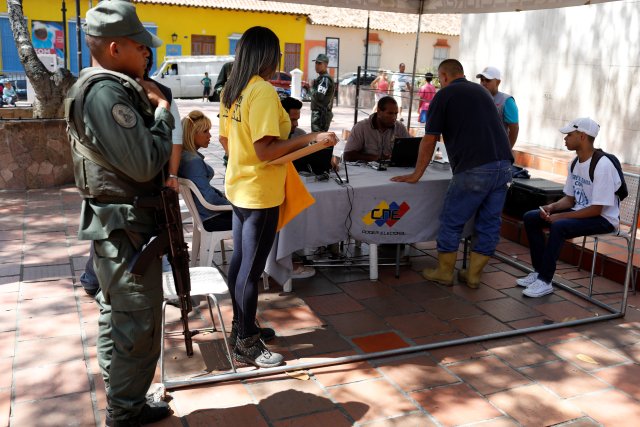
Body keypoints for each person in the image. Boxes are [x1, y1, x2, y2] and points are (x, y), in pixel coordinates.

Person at [65, 2, 174, 425]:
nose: (147, 54)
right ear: (114, 48)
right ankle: (124, 414)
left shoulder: (98, 86)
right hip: (125, 226)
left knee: (119, 313)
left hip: (120, 223)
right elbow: (145, 162)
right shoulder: (108, 93)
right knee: (137, 322)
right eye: (140, 46)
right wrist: (162, 111)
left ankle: (125, 403)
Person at [219, 26, 337, 368]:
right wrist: (312, 138)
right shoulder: (263, 93)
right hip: (259, 193)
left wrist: (247, 161)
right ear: (268, 56)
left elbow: (227, 143)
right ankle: (246, 343)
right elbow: (266, 150)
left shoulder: (233, 90)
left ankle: (242, 325)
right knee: (251, 270)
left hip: (239, 187)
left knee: (240, 262)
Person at [391, 59, 513, 289]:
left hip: (475, 167)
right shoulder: (482, 91)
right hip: (504, 166)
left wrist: (417, 173)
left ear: (444, 76)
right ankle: (473, 275)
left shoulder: (443, 96)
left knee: (452, 220)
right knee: (489, 223)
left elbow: (430, 139)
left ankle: (445, 272)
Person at [518, 118, 620, 298]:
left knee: (559, 226)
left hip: (604, 219)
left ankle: (545, 280)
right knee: (531, 217)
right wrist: (552, 207)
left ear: (582, 136)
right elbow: (570, 199)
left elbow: (597, 209)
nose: (565, 139)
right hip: (582, 212)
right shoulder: (575, 162)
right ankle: (539, 271)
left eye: (569, 135)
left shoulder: (602, 165)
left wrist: (561, 217)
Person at [178, 110, 233, 232]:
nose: (210, 135)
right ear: (192, 134)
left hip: (205, 215)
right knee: (258, 218)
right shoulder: (193, 162)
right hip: (212, 218)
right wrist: (232, 205)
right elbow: (209, 198)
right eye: (205, 131)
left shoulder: (184, 156)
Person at [343, 96, 411, 162]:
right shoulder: (361, 127)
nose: (394, 117)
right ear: (379, 112)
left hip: (392, 170)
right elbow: (347, 155)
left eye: (396, 113)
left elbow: (410, 149)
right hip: (366, 171)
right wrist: (374, 158)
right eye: (390, 113)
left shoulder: (399, 127)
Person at [476, 66, 519, 148]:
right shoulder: (477, 98)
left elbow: (514, 130)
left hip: (497, 152)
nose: (483, 83)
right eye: (482, 80)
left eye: (488, 80)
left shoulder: (507, 101)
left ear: (498, 82)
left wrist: (507, 151)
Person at [310, 53, 335, 132]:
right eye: (316, 63)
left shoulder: (325, 79)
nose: (317, 65)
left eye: (319, 63)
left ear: (326, 65)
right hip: (321, 114)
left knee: (317, 139)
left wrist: (312, 88)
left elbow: (319, 96)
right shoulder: (322, 78)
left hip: (320, 115)